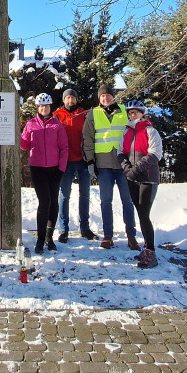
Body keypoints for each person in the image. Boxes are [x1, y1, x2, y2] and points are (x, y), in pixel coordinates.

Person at [82, 84, 139, 251]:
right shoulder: (93, 114)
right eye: (102, 96)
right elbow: (87, 138)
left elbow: (135, 133)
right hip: (103, 165)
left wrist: (134, 160)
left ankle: (131, 236)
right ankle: (108, 236)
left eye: (107, 95)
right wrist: (90, 162)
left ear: (113, 96)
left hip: (124, 165)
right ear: (99, 98)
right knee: (105, 201)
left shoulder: (125, 111)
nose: (105, 98)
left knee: (127, 201)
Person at [21, 92, 69, 254]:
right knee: (45, 201)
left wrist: (61, 168)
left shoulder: (57, 125)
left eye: (46, 106)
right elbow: (24, 145)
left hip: (55, 169)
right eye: (41, 106)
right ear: (37, 107)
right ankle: (40, 240)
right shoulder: (31, 124)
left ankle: (49, 237)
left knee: (53, 202)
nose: (44, 108)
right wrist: (14, 132)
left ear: (50, 107)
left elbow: (64, 148)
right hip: (37, 168)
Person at [119, 100, 163, 268]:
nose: (133, 115)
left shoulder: (150, 131)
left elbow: (155, 154)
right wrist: (126, 169)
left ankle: (151, 252)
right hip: (132, 178)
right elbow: (120, 152)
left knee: (145, 215)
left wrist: (135, 169)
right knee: (140, 213)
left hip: (148, 178)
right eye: (131, 112)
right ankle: (146, 249)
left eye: (136, 112)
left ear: (142, 113)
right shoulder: (126, 131)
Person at [54, 88, 98, 242]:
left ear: (77, 99)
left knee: (84, 195)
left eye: (73, 98)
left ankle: (84, 228)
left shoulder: (85, 114)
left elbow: (93, 135)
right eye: (68, 98)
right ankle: (63, 229)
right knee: (64, 195)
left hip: (83, 161)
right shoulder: (57, 115)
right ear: (64, 100)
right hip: (65, 162)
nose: (70, 100)